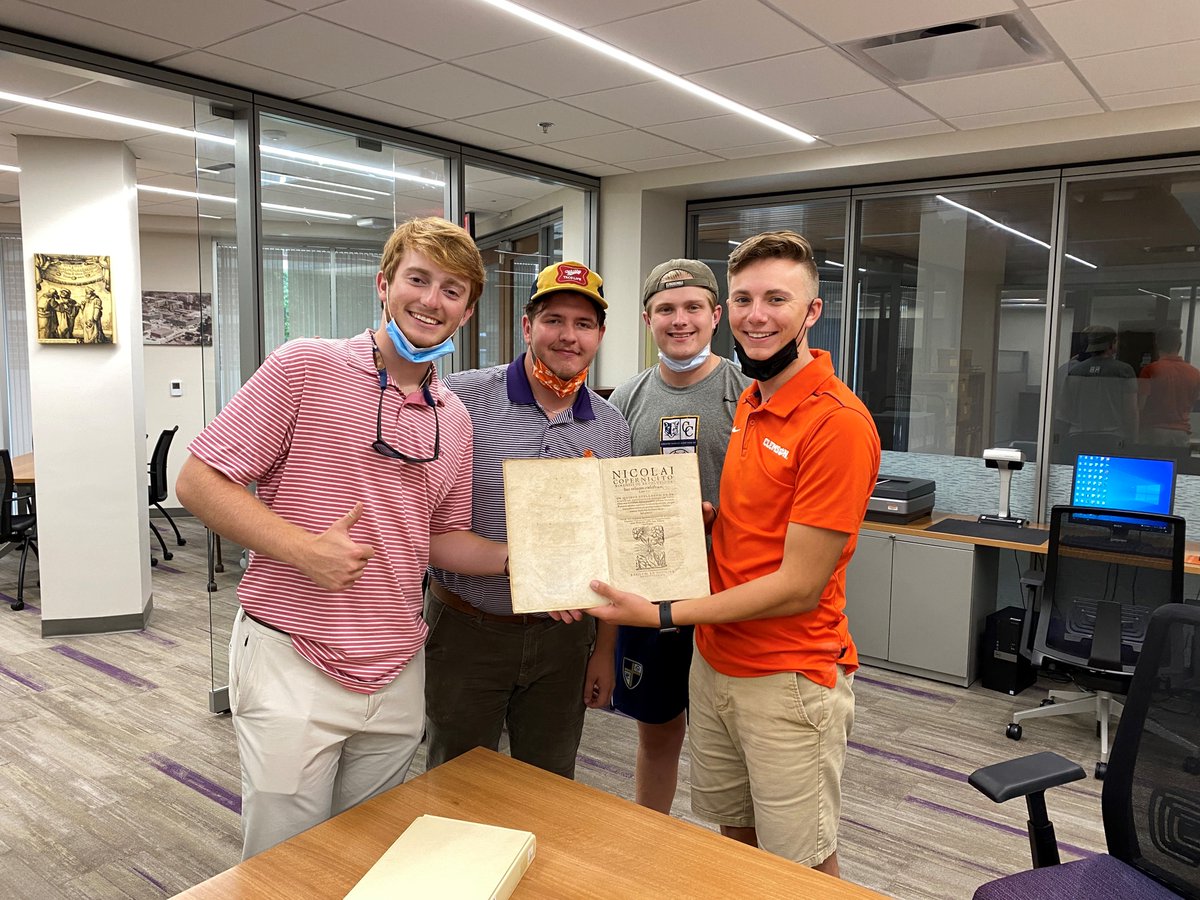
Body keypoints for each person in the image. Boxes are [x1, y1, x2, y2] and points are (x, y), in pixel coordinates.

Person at [175, 216, 507, 859]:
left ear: (466, 313)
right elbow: (198, 481)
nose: (430, 301)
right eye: (418, 279)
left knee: (365, 854)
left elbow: (437, 539)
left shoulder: (455, 419)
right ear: (384, 285)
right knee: (284, 864)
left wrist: (521, 560)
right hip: (293, 657)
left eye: (452, 291)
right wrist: (304, 550)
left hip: (398, 668)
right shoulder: (305, 366)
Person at [558, 231, 880, 877]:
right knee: (733, 835)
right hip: (719, 659)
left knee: (801, 866)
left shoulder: (835, 422)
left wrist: (661, 614)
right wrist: (697, 522)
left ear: (811, 312)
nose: (757, 314)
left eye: (776, 299)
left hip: (787, 675)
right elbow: (750, 524)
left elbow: (798, 586)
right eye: (744, 299)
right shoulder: (755, 406)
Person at [424, 260, 631, 780]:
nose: (568, 336)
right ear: (526, 326)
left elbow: (613, 550)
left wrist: (604, 651)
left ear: (600, 335)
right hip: (470, 629)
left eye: (583, 324)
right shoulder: (460, 398)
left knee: (551, 783)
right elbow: (416, 508)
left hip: (565, 642)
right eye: (554, 320)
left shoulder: (610, 427)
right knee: (457, 781)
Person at [606, 258, 749, 814]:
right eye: (666, 309)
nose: (679, 320)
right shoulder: (626, 401)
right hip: (653, 599)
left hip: (729, 596)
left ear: (716, 316)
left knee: (734, 745)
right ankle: (647, 840)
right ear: (647, 319)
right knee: (658, 733)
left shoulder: (747, 394)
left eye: (693, 307)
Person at [1062, 324, 1137, 444]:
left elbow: (1066, 409)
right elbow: (1131, 411)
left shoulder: (1075, 371)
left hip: (1077, 436)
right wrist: (1133, 438)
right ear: (1112, 344)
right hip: (1112, 437)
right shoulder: (1124, 370)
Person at [1138, 326, 1200, 447]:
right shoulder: (1195, 373)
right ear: (1179, 345)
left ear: (1157, 345)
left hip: (1153, 431)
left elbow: (1141, 404)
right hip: (1181, 433)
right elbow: (1193, 404)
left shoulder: (1151, 370)